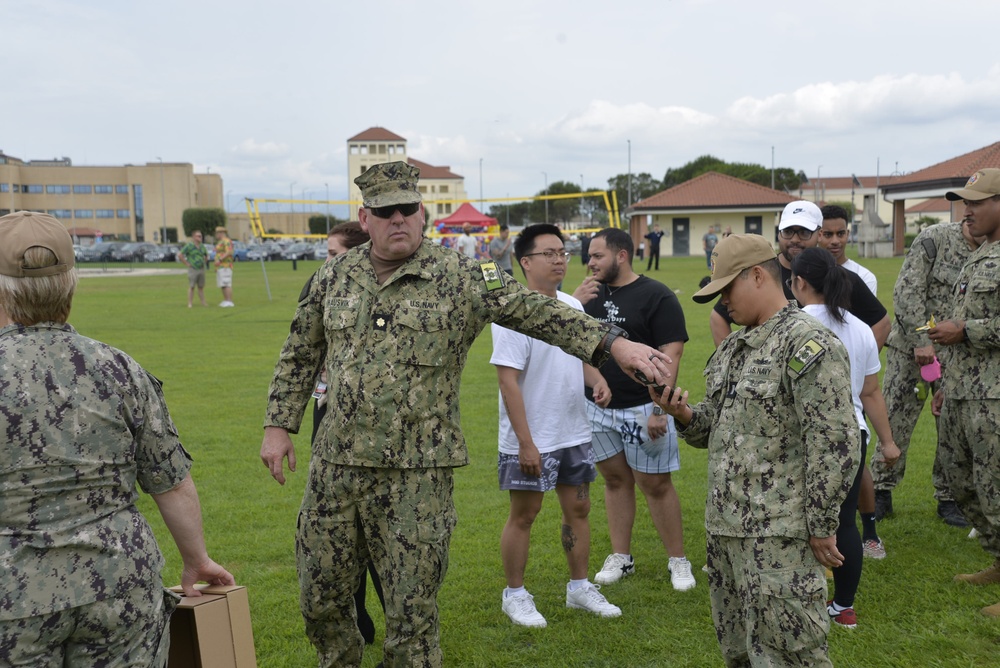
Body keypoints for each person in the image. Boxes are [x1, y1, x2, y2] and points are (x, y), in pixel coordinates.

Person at [259, 161, 673, 668]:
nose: (398, 219)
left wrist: (614, 344)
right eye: (385, 211)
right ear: (365, 218)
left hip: (416, 476)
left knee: (412, 614)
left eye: (407, 209)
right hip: (336, 469)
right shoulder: (334, 276)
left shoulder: (461, 276)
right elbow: (300, 352)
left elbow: (537, 311)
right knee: (321, 598)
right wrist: (279, 426)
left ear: (423, 214)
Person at [0, 211, 235, 666]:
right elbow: (171, 481)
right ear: (71, 283)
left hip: (14, 597)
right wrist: (197, 559)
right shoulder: (119, 368)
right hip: (119, 583)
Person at [654, 233, 859, 667]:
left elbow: (835, 442)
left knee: (790, 656)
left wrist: (822, 524)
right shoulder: (733, 347)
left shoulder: (807, 344)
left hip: (778, 536)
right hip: (726, 530)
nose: (723, 301)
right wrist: (685, 414)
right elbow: (716, 423)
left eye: (727, 289)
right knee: (740, 653)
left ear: (758, 275)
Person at [492, 224, 620, 628]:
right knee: (525, 514)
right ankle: (515, 594)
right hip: (531, 438)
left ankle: (579, 587)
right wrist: (525, 443)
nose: (559, 259)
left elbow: (579, 353)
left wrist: (596, 378)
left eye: (562, 251)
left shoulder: (571, 305)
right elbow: (507, 380)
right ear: (525, 261)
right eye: (548, 253)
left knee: (579, 508)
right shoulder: (512, 312)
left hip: (572, 433)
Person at [572, 228, 696, 592]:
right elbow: (574, 346)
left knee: (655, 485)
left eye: (597, 256)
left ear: (622, 255)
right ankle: (621, 557)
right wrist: (574, 304)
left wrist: (661, 406)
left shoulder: (656, 295)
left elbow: (671, 353)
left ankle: (678, 560)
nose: (589, 263)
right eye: (589, 256)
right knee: (614, 481)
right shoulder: (586, 297)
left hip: (645, 408)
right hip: (598, 409)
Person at [789, 247, 901, 629]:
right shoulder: (859, 329)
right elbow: (870, 392)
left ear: (798, 283)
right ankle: (843, 606)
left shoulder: (791, 324)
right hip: (852, 436)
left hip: (800, 438)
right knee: (844, 522)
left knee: (799, 522)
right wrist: (887, 442)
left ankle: (799, 600)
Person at [306, 221, 387, 646]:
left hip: (379, 433)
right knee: (340, 533)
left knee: (381, 535)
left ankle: (400, 618)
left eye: (334, 255)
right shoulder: (320, 286)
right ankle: (357, 618)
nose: (327, 264)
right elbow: (303, 348)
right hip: (329, 417)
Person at [874, 220, 984, 526]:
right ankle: (881, 490)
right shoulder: (935, 237)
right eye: (969, 207)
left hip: (959, 355)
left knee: (951, 427)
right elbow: (908, 291)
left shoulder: (992, 251)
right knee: (895, 420)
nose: (972, 214)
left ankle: (949, 498)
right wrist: (922, 342)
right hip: (911, 349)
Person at [929, 168, 1000, 618]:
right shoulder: (981, 254)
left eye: (976, 201)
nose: (966, 210)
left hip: (994, 396)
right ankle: (998, 559)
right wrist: (943, 382)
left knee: (997, 487)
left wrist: (967, 330)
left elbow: (971, 326)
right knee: (961, 481)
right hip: (960, 391)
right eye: (964, 201)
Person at [709, 201, 890, 349]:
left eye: (803, 232)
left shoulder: (839, 277)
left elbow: (881, 324)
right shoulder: (763, 274)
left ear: (819, 234)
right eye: (788, 232)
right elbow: (718, 317)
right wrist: (734, 364)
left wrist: (855, 369)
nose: (794, 239)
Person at [818, 205, 878, 295]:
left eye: (840, 234)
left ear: (847, 234)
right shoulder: (805, 274)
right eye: (828, 234)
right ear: (818, 235)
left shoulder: (864, 277)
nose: (835, 241)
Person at [177, 229, 210, 307]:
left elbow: (206, 255)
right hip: (193, 269)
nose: (200, 237)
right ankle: (190, 303)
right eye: (198, 236)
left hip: (201, 268)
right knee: (192, 286)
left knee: (201, 287)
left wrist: (204, 262)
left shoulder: (202, 246)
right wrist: (187, 263)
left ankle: (203, 302)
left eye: (201, 236)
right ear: (194, 237)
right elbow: (180, 254)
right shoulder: (189, 246)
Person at [214, 226, 235, 307]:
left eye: (217, 233)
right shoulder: (220, 242)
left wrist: (220, 259)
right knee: (222, 283)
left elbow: (229, 251)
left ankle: (229, 300)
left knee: (226, 283)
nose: (216, 235)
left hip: (225, 265)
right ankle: (225, 299)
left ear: (221, 233)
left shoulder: (226, 241)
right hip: (220, 266)